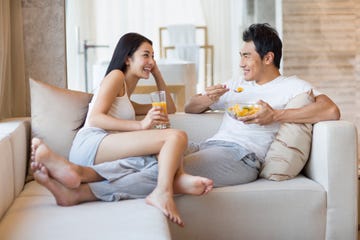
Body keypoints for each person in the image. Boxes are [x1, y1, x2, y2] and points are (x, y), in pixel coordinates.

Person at [30, 32, 213, 227]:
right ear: (127, 58)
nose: (151, 60)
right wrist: (140, 125)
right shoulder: (116, 76)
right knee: (175, 137)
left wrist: (157, 73)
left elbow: (169, 107)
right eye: (145, 55)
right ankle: (163, 191)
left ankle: (77, 178)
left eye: (153, 56)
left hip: (102, 153)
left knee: (159, 164)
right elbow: (95, 118)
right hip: (92, 142)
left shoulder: (127, 99)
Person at [182, 23, 340, 187]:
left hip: (242, 156)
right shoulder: (236, 84)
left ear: (268, 58)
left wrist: (275, 115)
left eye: (247, 56)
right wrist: (210, 98)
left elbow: (331, 110)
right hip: (208, 146)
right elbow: (189, 107)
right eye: (241, 56)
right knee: (157, 155)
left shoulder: (292, 85)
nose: (241, 63)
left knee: (164, 170)